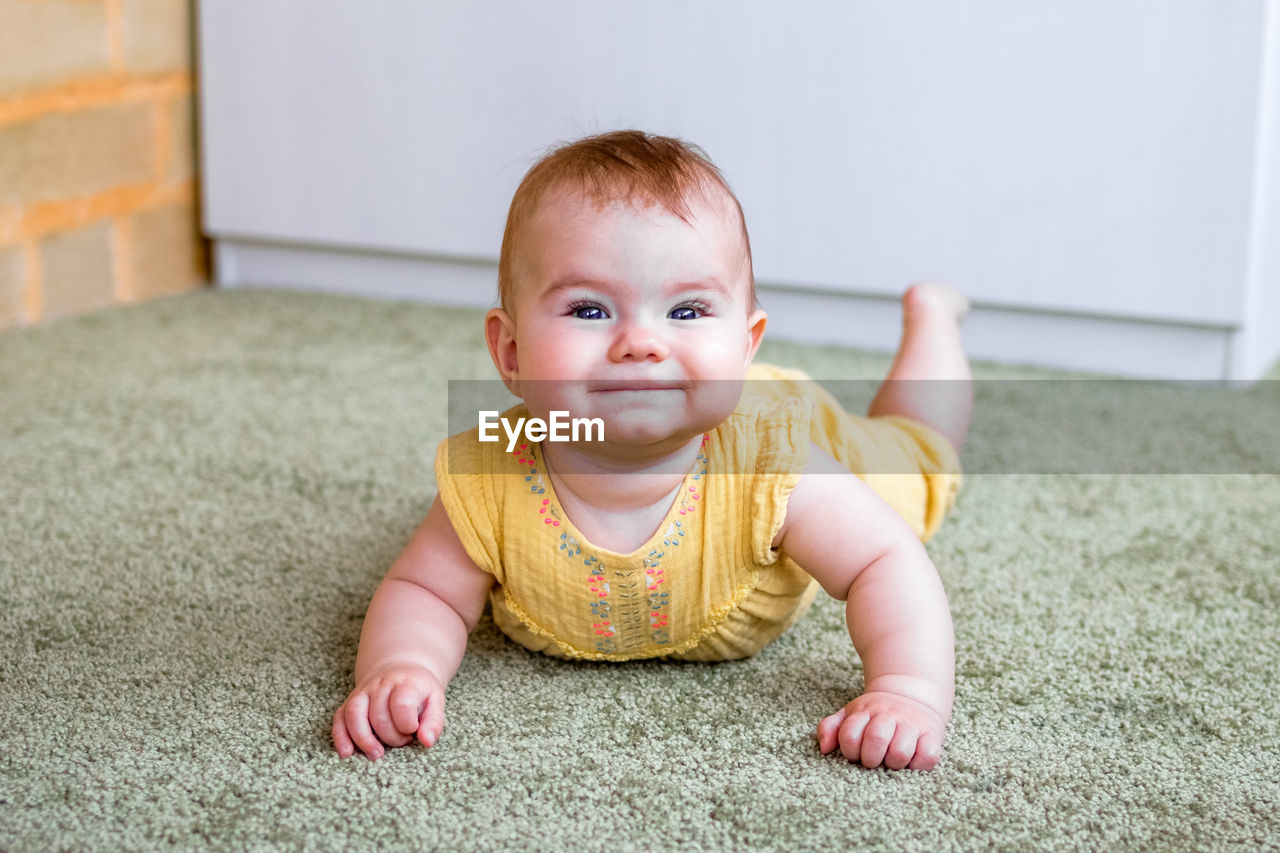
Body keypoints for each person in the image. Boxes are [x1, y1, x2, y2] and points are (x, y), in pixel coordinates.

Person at [332, 130, 973, 771]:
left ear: (746, 346)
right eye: (587, 310)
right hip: (695, 398)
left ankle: (932, 321)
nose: (641, 342)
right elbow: (426, 590)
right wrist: (400, 668)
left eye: (688, 310)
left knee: (920, 454)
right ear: (512, 354)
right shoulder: (493, 470)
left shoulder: (775, 464)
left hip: (781, 423)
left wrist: (906, 692)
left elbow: (882, 560)